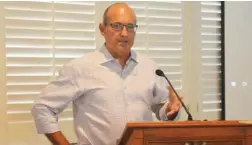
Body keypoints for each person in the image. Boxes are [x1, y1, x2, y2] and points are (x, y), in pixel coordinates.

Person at [31, 2, 182, 145]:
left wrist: (170, 111)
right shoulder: (80, 68)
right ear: (102, 29)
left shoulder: (149, 66)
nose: (124, 33)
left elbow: (162, 109)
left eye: (130, 27)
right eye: (117, 26)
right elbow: (42, 108)